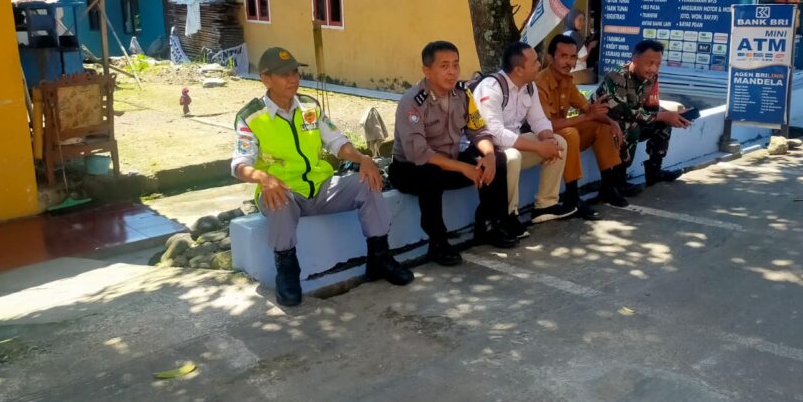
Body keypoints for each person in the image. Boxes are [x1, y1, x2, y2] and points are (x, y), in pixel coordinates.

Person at [232, 47, 413, 307]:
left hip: (321, 187)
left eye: (295, 72)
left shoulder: (309, 107)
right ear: (265, 79)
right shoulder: (251, 117)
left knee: (367, 182)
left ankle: (380, 258)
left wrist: (363, 159)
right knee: (278, 199)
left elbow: (337, 142)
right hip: (284, 191)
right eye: (284, 74)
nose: (293, 79)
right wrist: (262, 178)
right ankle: (287, 270)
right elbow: (240, 164)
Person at [389, 41, 518, 266]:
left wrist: (488, 156)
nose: (452, 71)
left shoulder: (462, 94)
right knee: (430, 175)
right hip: (409, 169)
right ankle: (438, 242)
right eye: (444, 66)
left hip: (449, 161)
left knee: (497, 160)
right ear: (427, 70)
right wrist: (463, 167)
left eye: (455, 65)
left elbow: (478, 131)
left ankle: (488, 224)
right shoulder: (413, 101)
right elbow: (419, 153)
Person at [473, 42, 576, 231]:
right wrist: (539, 147)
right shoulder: (491, 87)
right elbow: (495, 133)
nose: (539, 64)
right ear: (519, 70)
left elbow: (539, 120)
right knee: (512, 157)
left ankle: (545, 205)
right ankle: (509, 215)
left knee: (559, 142)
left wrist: (548, 140)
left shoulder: (529, 86)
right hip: (488, 151)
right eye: (534, 62)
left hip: (514, 144)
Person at [536, 34, 634, 213]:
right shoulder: (540, 83)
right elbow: (548, 126)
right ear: (550, 58)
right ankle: (572, 197)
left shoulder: (567, 80)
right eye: (563, 56)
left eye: (573, 57)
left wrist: (611, 122)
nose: (569, 62)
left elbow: (588, 109)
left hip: (560, 131)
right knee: (570, 133)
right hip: (541, 136)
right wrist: (588, 117)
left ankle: (608, 186)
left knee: (602, 126)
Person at [593, 39, 691, 186]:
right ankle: (619, 179)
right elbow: (624, 112)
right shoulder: (617, 76)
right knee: (631, 126)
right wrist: (663, 115)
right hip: (604, 122)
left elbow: (652, 108)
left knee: (664, 122)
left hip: (627, 119)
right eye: (649, 63)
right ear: (635, 59)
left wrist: (676, 115)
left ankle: (654, 171)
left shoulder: (651, 77)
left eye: (658, 64)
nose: (654, 69)